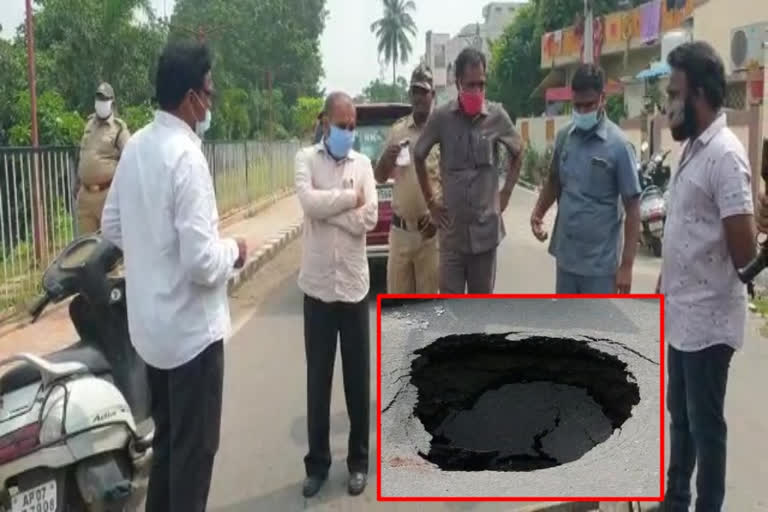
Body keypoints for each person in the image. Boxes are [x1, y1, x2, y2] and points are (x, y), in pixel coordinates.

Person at [101, 40, 247, 512]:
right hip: (191, 342)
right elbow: (204, 263)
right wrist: (236, 251)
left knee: (166, 451)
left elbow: (111, 225)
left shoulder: (138, 145)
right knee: (193, 460)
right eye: (210, 91)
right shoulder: (186, 157)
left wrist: (151, 253)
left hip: (152, 337)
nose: (212, 100)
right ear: (190, 97)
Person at [658, 41, 756, 512]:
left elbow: (744, 254)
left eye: (674, 94)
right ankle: (675, 501)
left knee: (705, 426)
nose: (668, 105)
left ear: (698, 93)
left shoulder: (725, 155)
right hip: (681, 316)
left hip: (710, 322)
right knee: (680, 418)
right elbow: (685, 229)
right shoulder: (694, 149)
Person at [295, 91, 378, 498]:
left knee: (357, 380)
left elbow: (371, 217)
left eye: (352, 125)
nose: (348, 132)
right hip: (317, 289)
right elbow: (309, 203)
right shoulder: (305, 160)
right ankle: (318, 464)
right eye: (342, 125)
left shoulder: (363, 165)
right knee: (318, 380)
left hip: (353, 287)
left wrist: (334, 212)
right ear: (325, 122)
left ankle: (359, 462)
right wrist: (347, 200)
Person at [413, 47, 523, 293]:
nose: (476, 91)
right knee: (453, 313)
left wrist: (505, 194)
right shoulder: (442, 118)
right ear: (458, 82)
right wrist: (431, 203)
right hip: (452, 237)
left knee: (478, 314)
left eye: (481, 85)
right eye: (470, 85)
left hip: (485, 237)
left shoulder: (497, 116)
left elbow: (519, 151)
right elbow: (418, 155)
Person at [529, 64, 641, 294]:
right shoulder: (564, 138)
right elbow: (554, 180)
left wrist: (627, 266)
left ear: (602, 99)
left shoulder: (619, 147)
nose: (582, 112)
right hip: (567, 259)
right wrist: (538, 212)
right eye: (577, 106)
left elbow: (633, 207)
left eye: (588, 105)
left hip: (600, 268)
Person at [375, 64, 441, 293]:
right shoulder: (398, 131)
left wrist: (438, 216)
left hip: (430, 235)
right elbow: (380, 176)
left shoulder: (442, 132)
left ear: (433, 94)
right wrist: (387, 158)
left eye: (424, 91)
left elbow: (453, 182)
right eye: (415, 91)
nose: (419, 97)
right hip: (400, 232)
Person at [76, 82, 130, 235]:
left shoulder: (119, 128)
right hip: (85, 195)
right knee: (86, 248)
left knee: (108, 247)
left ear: (112, 102)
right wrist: (77, 182)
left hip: (107, 195)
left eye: (104, 99)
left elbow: (129, 159)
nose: (101, 103)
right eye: (98, 99)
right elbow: (83, 154)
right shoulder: (88, 125)